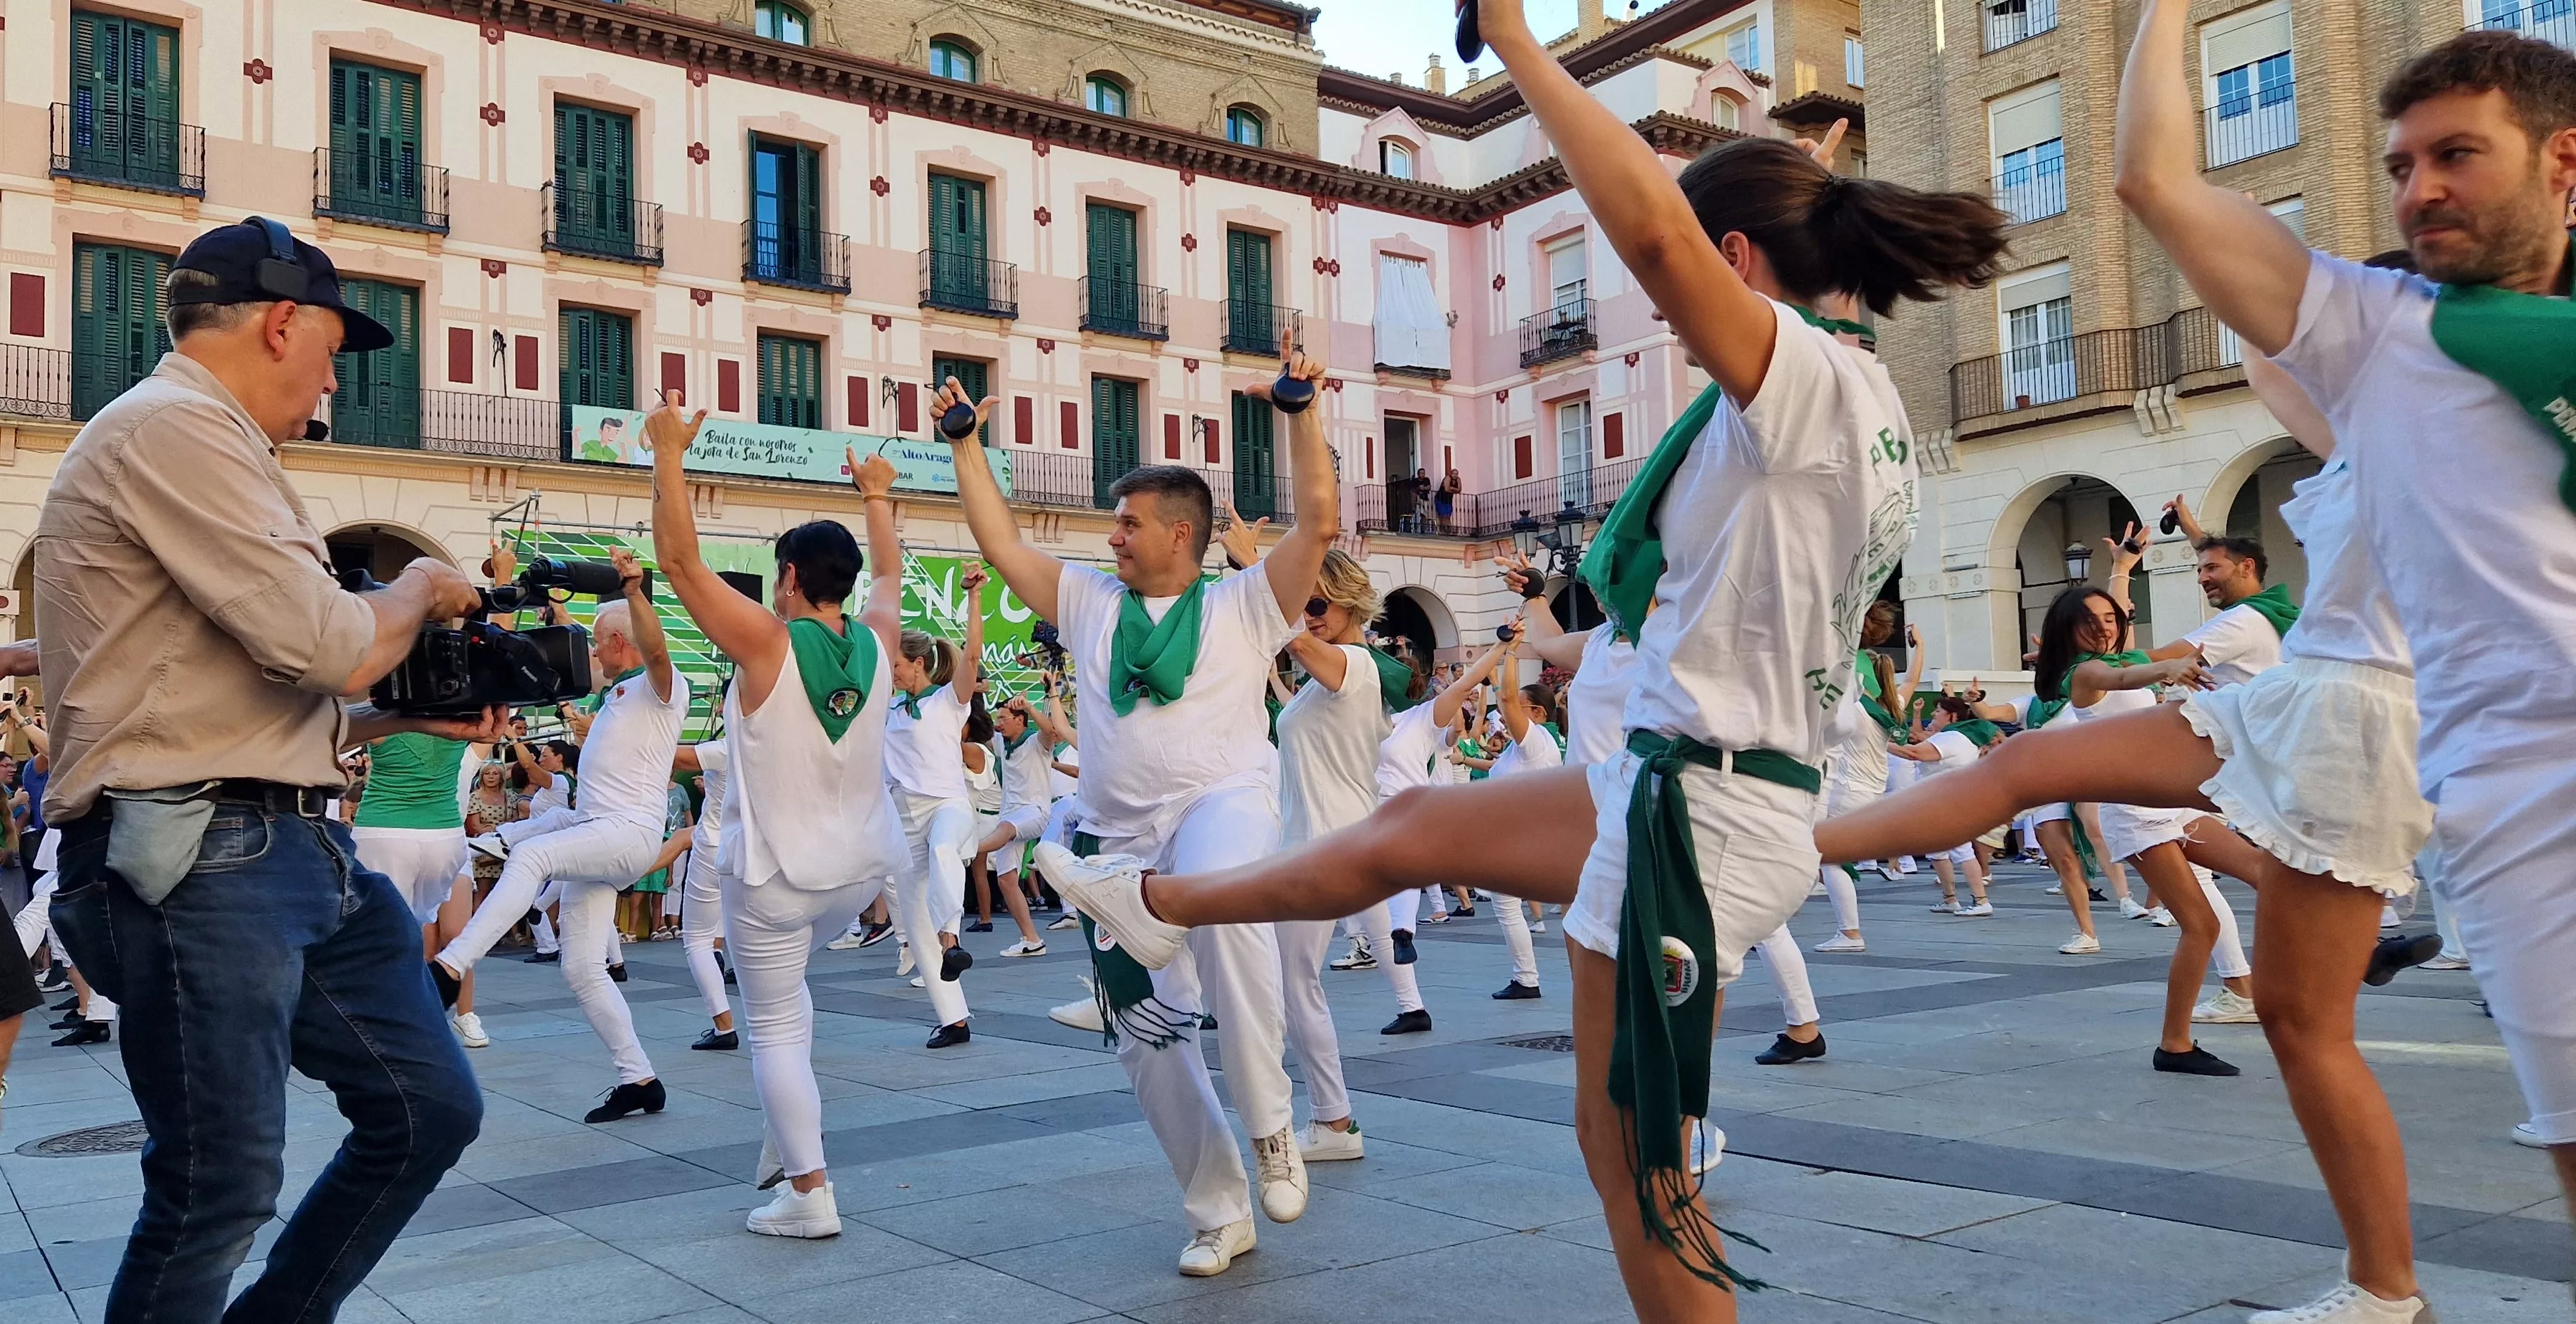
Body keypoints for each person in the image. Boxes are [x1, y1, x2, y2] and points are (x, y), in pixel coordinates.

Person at [1037, 9, 2007, 1310]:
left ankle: (1156, 909)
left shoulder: (1807, 386)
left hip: (1704, 812)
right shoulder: (1848, 396)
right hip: (1682, 784)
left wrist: (1516, 45)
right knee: (1419, 821)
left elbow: (1654, 231)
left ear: (1730, 265)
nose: (1664, 309)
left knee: (1638, 1165)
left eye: (1682, 287)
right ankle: (1154, 906)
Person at [32, 219, 505, 1323]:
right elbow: (329, 641)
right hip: (199, 854)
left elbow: (273, 688)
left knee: (430, 1109)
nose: (336, 379)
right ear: (283, 321)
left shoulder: (217, 448)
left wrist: (401, 717)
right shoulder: (173, 428)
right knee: (219, 1186)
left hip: (286, 842)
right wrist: (422, 586)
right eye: (334, 350)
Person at [949, 325, 1337, 1278]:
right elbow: (999, 543)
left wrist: (1299, 411)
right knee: (1147, 1043)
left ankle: (1275, 1129)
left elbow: (1319, 524)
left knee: (1228, 905)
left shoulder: (1246, 602)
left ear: (1179, 533)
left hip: (1224, 807)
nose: (1109, 536)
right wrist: (964, 442)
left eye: (1126, 523)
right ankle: (1218, 1209)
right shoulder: (1086, 601)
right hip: (1116, 849)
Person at [648, 400, 910, 1238]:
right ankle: (786, 1140)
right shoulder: (875, 641)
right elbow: (892, 578)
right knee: (790, 1014)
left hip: (772, 877)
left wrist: (666, 454)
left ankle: (808, 1192)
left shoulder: (767, 642)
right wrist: (876, 494)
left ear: (791, 578)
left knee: (773, 1031)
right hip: (856, 874)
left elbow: (682, 565)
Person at [434, 548, 688, 1123]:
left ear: (622, 644)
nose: (593, 651)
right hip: (598, 832)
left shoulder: (661, 689)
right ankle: (640, 1080)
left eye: (601, 642)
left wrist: (634, 589)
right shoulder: (617, 692)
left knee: (538, 855)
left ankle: (452, 968)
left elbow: (654, 647)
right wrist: (532, 594)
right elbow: (570, 646)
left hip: (625, 835)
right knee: (581, 969)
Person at [1272, 547, 1408, 1161]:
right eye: (1305, 604)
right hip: (1314, 842)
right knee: (1283, 980)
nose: (1310, 614)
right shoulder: (1327, 676)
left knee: (1293, 983)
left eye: (1319, 603)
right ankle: (1324, 1117)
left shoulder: (1356, 664)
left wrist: (1260, 571)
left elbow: (1301, 647)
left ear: (1350, 602)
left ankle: (1333, 1123)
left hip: (1325, 846)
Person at [875, 568, 987, 1047]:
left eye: (898, 664)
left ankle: (953, 941)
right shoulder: (888, 711)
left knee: (945, 852)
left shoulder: (948, 701)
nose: (893, 671)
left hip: (948, 808)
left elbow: (974, 656)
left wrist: (974, 597)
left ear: (918, 663)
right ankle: (954, 1020)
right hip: (904, 820)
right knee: (914, 927)